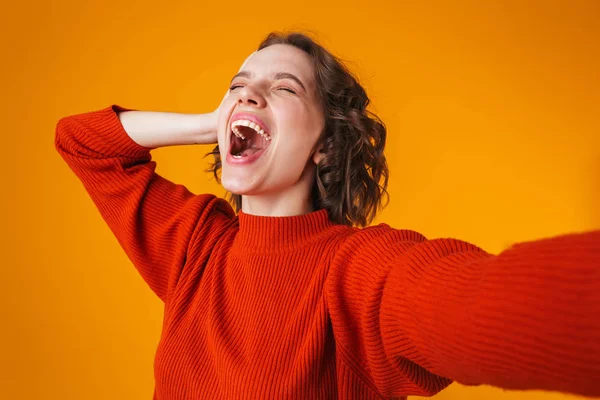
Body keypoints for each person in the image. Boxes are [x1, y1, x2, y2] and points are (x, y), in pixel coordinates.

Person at [55, 32, 599, 400]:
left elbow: (480, 304)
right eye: (238, 88)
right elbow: (81, 142)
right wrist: (211, 121)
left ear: (325, 146)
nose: (248, 98)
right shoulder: (194, 245)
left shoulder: (357, 272)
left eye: (283, 88)